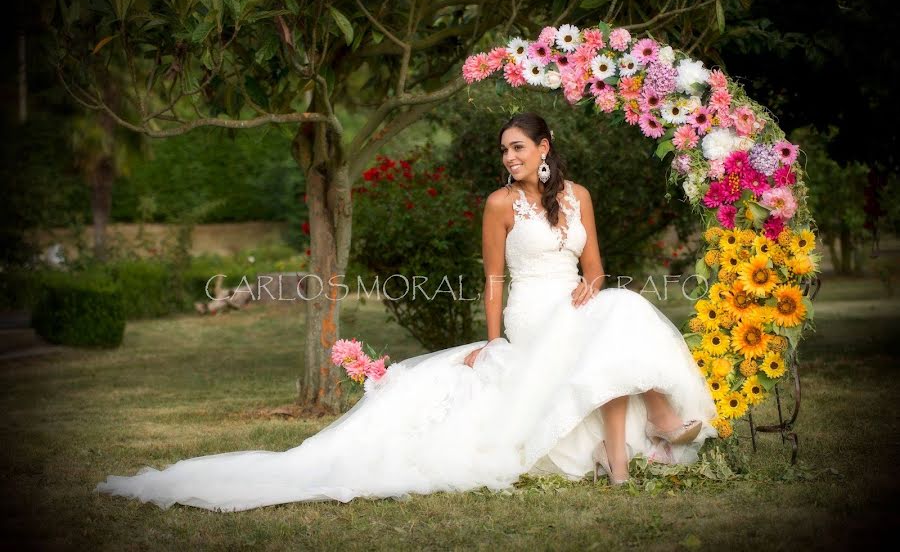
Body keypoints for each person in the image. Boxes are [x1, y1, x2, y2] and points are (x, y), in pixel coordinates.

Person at [94, 112, 717, 512]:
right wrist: (495, 341)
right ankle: (652, 430)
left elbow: (598, 266)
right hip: (530, 312)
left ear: (545, 147)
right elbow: (493, 278)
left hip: (574, 304)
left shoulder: (579, 196)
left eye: (519, 147)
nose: (510, 157)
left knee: (612, 306)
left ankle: (623, 460)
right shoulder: (499, 205)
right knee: (606, 323)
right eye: (504, 149)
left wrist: (592, 285)